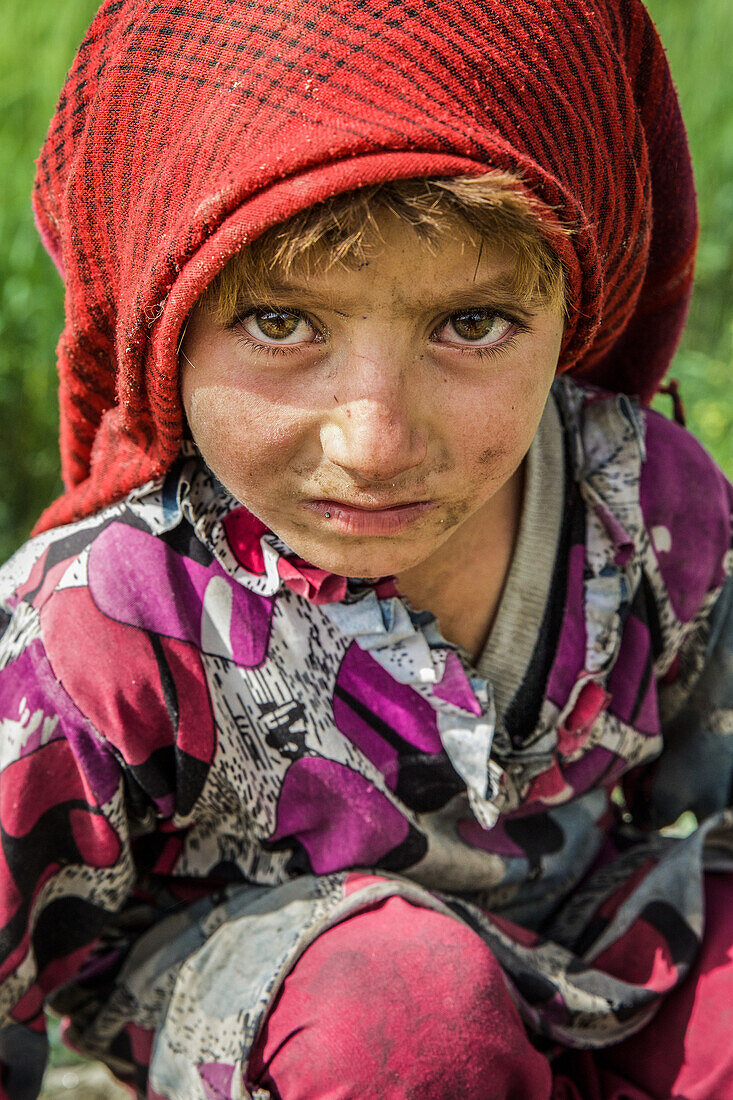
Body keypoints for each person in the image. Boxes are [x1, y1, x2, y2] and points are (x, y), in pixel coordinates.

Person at [0, 0, 731, 1097]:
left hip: (597, 956)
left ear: (578, 305)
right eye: (282, 323)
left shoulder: (641, 502)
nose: (375, 441)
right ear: (159, 311)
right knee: (404, 1014)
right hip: (305, 1022)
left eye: (473, 323)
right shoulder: (105, 619)